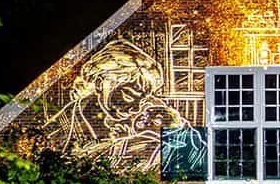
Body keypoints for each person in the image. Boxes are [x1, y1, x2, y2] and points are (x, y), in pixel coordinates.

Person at [43, 39, 184, 169]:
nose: (136, 108)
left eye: (142, 100)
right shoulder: (67, 122)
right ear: (100, 84)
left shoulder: (144, 116)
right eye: (129, 95)